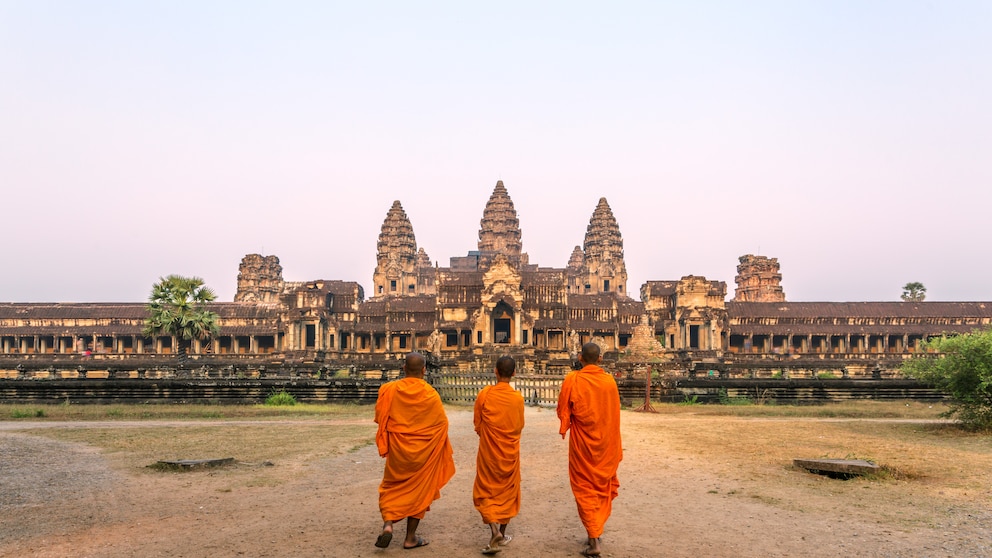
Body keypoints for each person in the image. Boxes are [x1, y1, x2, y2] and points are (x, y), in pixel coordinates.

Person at [374, 352, 455, 550]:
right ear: (424, 370)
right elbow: (442, 424)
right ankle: (410, 537)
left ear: (403, 369)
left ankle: (388, 524)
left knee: (391, 486)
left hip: (399, 452)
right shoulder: (430, 394)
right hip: (423, 455)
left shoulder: (389, 389)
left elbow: (380, 417)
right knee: (420, 490)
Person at [557, 342, 622, 557]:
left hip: (583, 445)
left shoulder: (573, 379)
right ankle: (594, 531)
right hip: (605, 445)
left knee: (585, 489)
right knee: (600, 488)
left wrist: (568, 421)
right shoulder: (609, 381)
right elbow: (612, 413)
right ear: (600, 359)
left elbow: (563, 411)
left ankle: (594, 541)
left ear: (580, 358)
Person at [473, 355, 525, 555]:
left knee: (486, 490)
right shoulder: (518, 398)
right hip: (509, 452)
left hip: (489, 452)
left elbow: (478, 424)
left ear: (495, 371)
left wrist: (488, 435)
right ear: (514, 373)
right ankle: (501, 533)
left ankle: (494, 530)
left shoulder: (485, 395)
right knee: (507, 491)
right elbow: (519, 426)